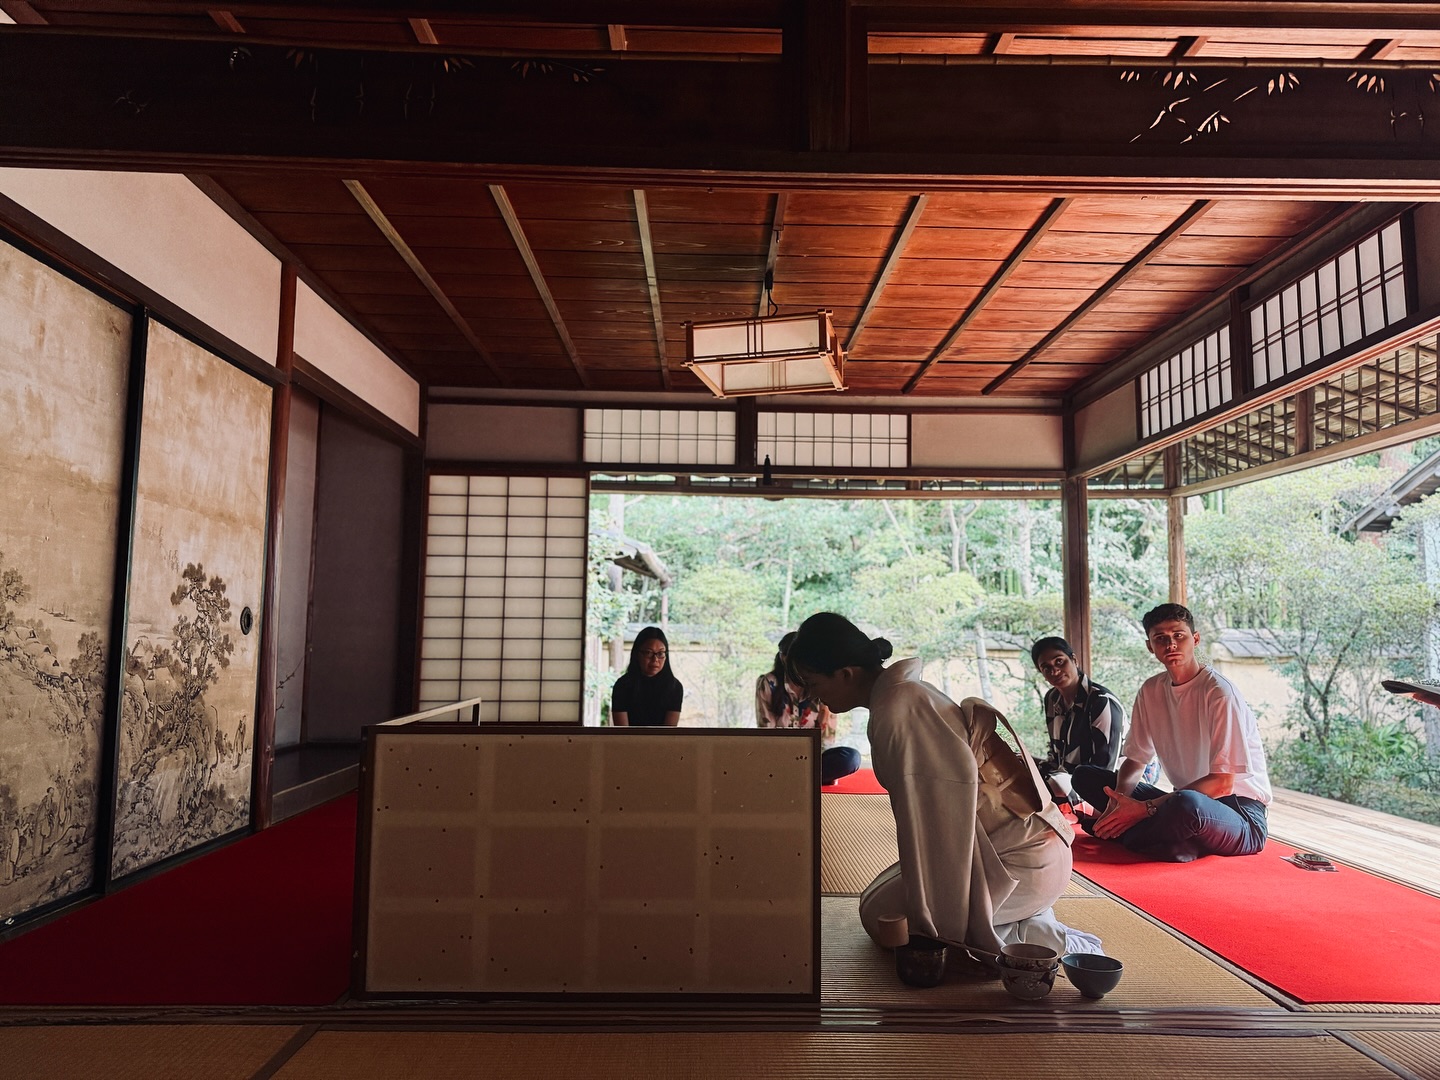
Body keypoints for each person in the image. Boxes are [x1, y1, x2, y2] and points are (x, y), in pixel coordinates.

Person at [787, 612, 1100, 960]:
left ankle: (1031, 933)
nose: (814, 696)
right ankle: (1023, 915)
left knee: (885, 919)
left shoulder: (899, 707)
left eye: (814, 683)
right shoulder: (904, 696)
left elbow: (942, 818)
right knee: (875, 898)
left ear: (845, 674)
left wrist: (934, 912)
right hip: (1021, 849)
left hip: (1022, 862)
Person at [1071, 603, 1271, 863]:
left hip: (1238, 813)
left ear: (1195, 639)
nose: (1171, 644)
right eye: (1161, 639)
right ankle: (1168, 841)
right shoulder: (1151, 690)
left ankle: (1137, 837)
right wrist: (1118, 803)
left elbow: (1223, 784)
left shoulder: (1219, 693)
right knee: (1085, 777)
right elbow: (1135, 760)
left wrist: (1142, 810)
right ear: (1150, 646)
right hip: (1175, 803)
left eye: (1179, 636)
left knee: (1188, 805)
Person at [1029, 635, 1126, 813]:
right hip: (1067, 776)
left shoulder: (1101, 701)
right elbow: (1057, 756)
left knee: (1053, 787)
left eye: (1060, 661)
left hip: (1114, 783)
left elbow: (1105, 767)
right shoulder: (1052, 699)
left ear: (1074, 660)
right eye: (1046, 667)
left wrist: (1060, 780)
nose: (1055, 671)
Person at [756, 632, 862, 785]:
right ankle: (807, 778)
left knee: (851, 758)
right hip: (779, 757)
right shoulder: (768, 683)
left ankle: (795, 778)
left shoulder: (821, 682)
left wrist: (819, 759)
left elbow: (827, 730)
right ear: (782, 657)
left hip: (813, 757)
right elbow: (766, 728)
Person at [611, 627, 683, 727]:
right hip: (629, 741)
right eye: (648, 653)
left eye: (660, 653)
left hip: (662, 742)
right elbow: (622, 732)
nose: (655, 659)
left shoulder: (674, 687)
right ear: (637, 654)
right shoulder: (622, 686)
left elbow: (668, 733)